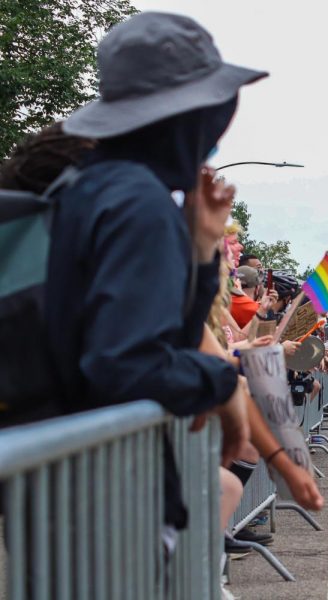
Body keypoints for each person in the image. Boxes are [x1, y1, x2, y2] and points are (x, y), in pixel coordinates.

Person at [48, 12, 270, 479]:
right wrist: (222, 381)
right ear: (188, 117)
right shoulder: (138, 204)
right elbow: (125, 365)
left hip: (71, 485)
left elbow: (169, 333)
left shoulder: (94, 184)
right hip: (108, 491)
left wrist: (203, 249)